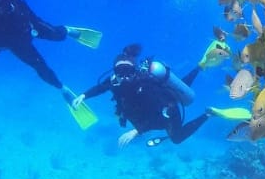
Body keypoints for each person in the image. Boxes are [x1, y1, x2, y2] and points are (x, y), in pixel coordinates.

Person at [75, 43, 218, 147]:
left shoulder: (144, 85)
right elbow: (100, 88)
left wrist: (137, 131)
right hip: (150, 111)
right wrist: (84, 95)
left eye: (128, 72)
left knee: (176, 137)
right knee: (179, 87)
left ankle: (208, 114)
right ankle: (199, 67)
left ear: (134, 71)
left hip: (167, 109)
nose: (124, 77)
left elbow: (157, 117)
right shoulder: (114, 82)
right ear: (114, 73)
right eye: (120, 72)